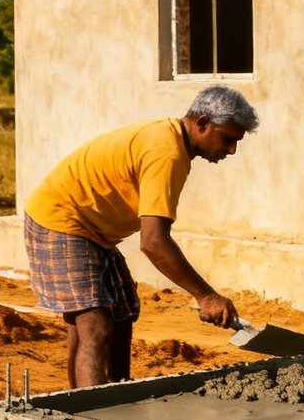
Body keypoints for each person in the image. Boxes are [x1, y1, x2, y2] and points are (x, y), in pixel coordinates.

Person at [23, 85, 257, 389]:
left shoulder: (171, 141)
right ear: (202, 122)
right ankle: (94, 414)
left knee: (121, 312)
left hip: (94, 230)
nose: (230, 150)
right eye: (227, 139)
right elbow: (153, 242)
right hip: (63, 220)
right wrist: (206, 296)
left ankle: (119, 392)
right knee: (93, 324)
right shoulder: (167, 153)